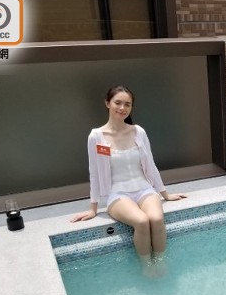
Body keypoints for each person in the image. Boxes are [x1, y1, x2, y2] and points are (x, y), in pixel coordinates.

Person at [71, 85, 187, 268]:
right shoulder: (96, 137)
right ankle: (146, 266)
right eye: (117, 103)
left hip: (144, 189)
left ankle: (160, 262)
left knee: (156, 219)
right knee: (141, 221)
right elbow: (94, 172)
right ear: (107, 103)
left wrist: (165, 194)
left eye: (127, 104)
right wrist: (93, 208)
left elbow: (151, 165)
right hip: (118, 194)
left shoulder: (138, 132)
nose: (122, 108)